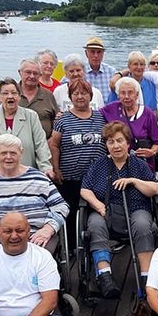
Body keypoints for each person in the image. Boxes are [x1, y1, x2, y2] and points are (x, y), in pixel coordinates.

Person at [0, 133, 69, 276]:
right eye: (4, 153)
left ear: (21, 153)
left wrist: (48, 230)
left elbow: (61, 206)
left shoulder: (39, 178)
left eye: (13, 153)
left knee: (42, 264)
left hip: (33, 238)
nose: (8, 157)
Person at [80, 121, 158, 298]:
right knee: (94, 223)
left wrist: (133, 181)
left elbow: (155, 189)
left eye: (119, 141)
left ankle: (147, 278)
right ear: (106, 145)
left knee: (142, 224)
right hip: (107, 211)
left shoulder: (138, 164)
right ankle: (105, 277)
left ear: (128, 143)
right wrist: (98, 205)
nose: (116, 145)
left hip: (136, 209)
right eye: (111, 142)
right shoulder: (99, 165)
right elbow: (85, 189)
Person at [49, 79, 108, 231]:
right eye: (76, 93)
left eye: (84, 93)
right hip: (70, 178)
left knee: (96, 213)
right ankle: (73, 249)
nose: (80, 97)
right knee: (71, 214)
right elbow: (54, 145)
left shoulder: (101, 117)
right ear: (70, 97)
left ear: (91, 96)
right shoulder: (62, 119)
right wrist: (56, 169)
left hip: (97, 177)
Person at [0, 78, 54, 178]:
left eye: (14, 93)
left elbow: (41, 145)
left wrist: (46, 168)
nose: (10, 96)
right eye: (5, 93)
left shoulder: (31, 116)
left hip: (26, 176)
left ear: (19, 96)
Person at [100, 77, 158, 172]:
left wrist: (152, 152)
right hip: (117, 165)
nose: (126, 96)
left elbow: (157, 143)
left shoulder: (147, 113)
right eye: (122, 93)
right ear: (118, 95)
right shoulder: (109, 109)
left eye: (130, 92)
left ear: (137, 95)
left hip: (142, 165)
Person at [17, 59, 58, 139]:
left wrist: (52, 140)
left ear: (40, 75)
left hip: (43, 145)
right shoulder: (10, 93)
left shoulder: (48, 95)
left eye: (35, 73)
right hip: (14, 147)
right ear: (20, 72)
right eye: (28, 72)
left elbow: (56, 121)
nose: (32, 76)